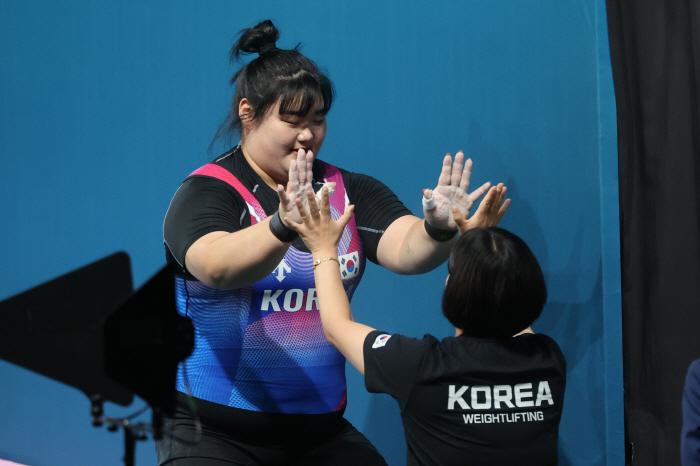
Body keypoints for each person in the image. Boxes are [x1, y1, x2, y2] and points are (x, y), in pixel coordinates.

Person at [158, 19, 503, 466]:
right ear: (248, 113)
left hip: (318, 436)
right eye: (293, 120)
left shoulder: (348, 189)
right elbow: (215, 266)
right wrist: (283, 225)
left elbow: (406, 251)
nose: (308, 135)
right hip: (213, 434)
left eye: (318, 120)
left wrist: (437, 227)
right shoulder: (209, 192)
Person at [284, 186, 566, 466]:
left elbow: (336, 326)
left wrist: (322, 248)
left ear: (451, 288)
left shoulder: (420, 366)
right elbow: (512, 308)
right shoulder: (547, 359)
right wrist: (476, 251)